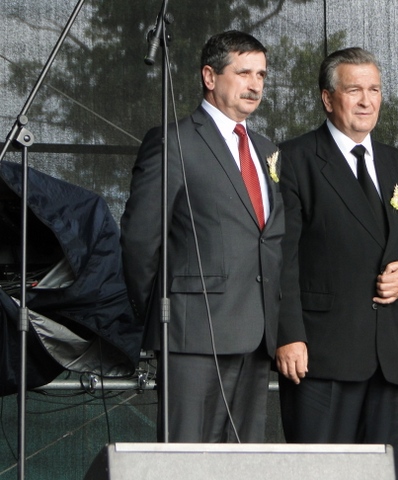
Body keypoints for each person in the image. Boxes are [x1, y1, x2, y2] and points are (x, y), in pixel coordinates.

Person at [276, 47, 398, 480]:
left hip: (391, 357)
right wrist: (288, 334)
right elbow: (280, 257)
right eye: (354, 90)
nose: (367, 101)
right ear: (328, 98)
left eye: (374, 90)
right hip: (321, 356)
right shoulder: (294, 159)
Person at [120, 30, 283, 443]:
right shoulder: (173, 141)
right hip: (191, 334)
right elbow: (140, 240)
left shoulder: (266, 149)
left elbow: (270, 240)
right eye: (243, 73)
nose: (255, 84)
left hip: (256, 336)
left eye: (261, 75)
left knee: (243, 462)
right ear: (209, 77)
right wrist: (161, 311)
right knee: (186, 459)